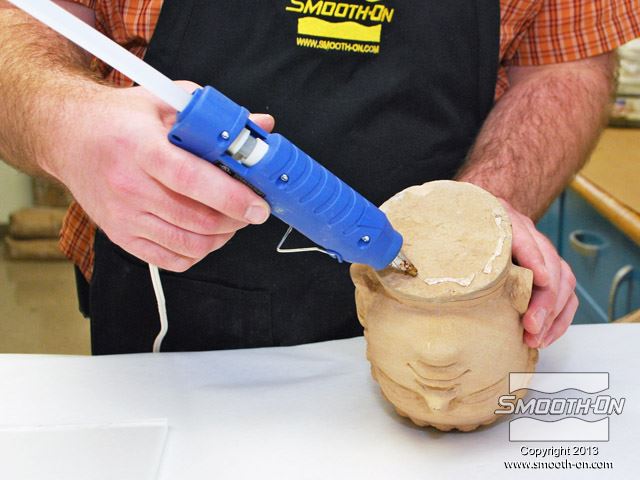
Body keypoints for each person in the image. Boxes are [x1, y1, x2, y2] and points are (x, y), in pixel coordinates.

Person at [0, 0, 637, 354]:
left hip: (437, 309)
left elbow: (566, 62)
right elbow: (23, 22)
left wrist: (473, 216)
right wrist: (66, 120)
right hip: (167, 314)